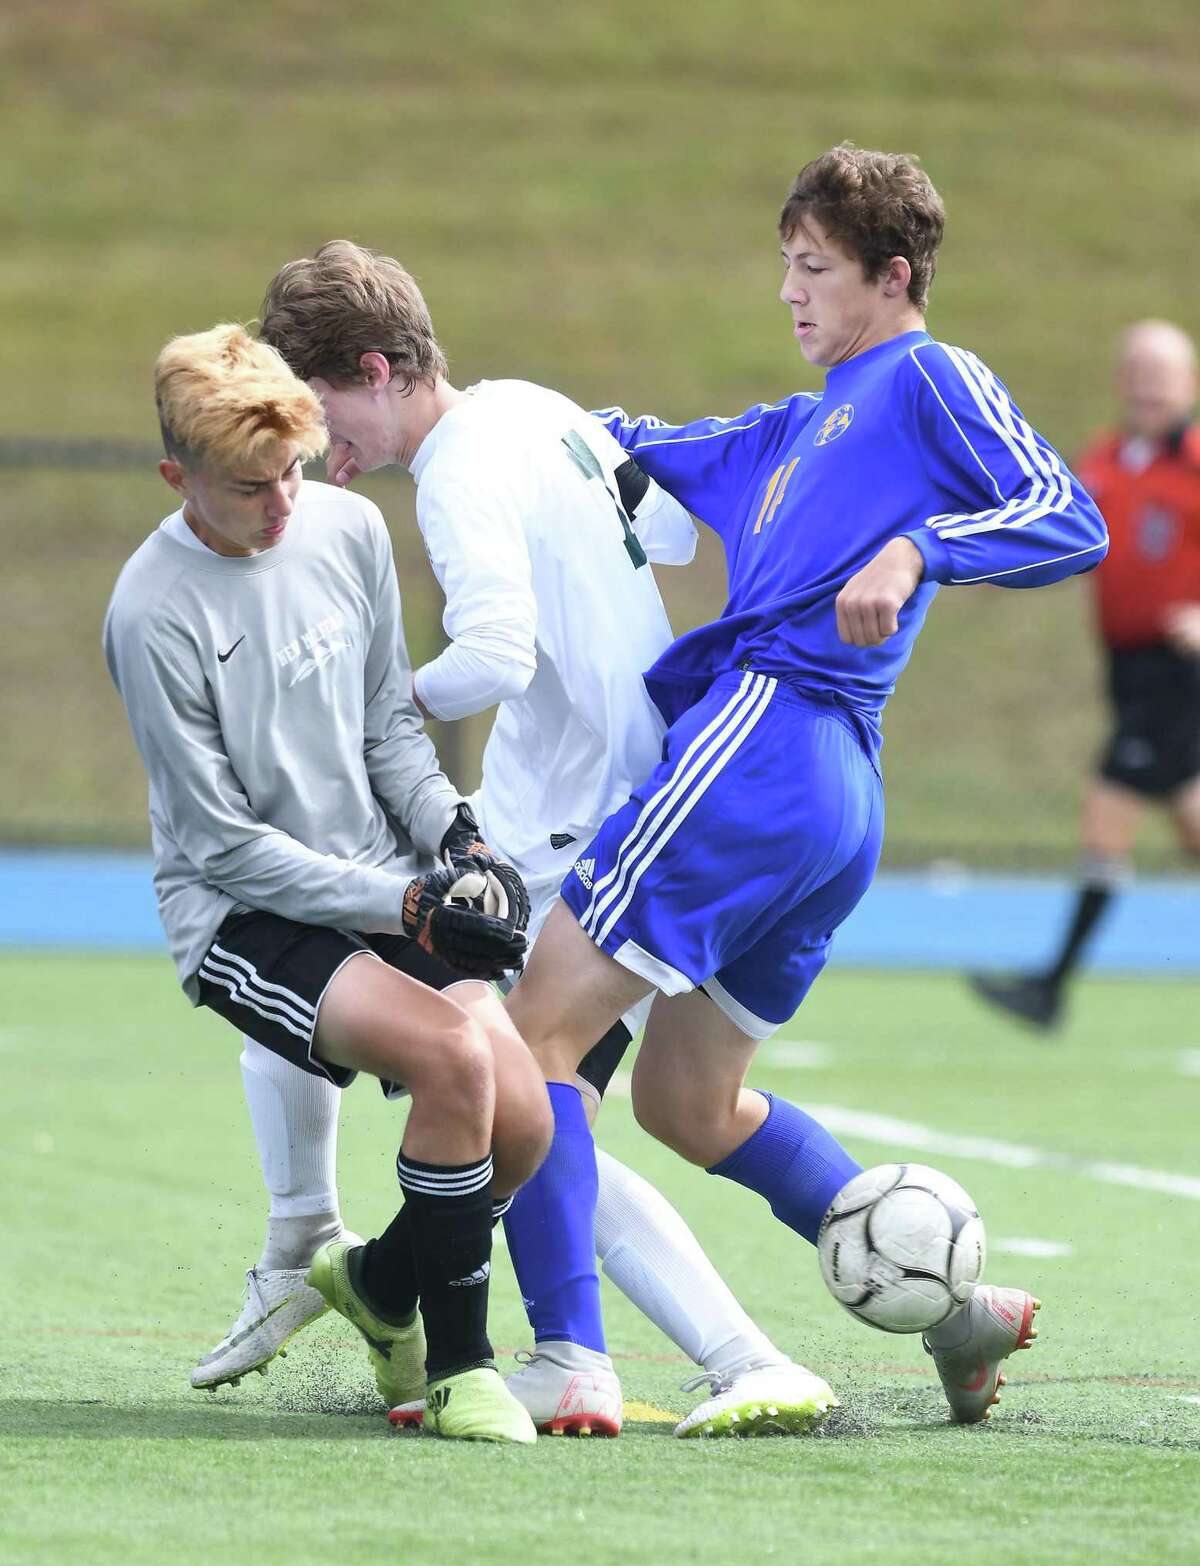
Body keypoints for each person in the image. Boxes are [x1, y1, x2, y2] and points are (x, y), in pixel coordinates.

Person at [494, 142, 1106, 1430]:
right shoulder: (789, 427)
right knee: (686, 1102)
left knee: (534, 1028)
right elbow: (622, 444)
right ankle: (959, 1314)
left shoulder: (930, 377)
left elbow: (1069, 515)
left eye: (815, 266)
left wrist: (918, 548)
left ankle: (568, 1355)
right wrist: (486, 428)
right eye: (785, 262)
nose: (789, 290)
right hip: (824, 799)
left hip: (765, 746)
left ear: (895, 276)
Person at [251, 240, 840, 1440]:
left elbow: (494, 654)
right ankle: (383, 1278)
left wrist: (357, 707)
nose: (312, 443)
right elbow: (668, 534)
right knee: (518, 1092)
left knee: (490, 1073)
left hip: (568, 814)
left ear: (375, 369)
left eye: (316, 407)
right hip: (616, 790)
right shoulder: (531, 407)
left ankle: (526, 1331)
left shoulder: (460, 468)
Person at [103, 323, 551, 1444]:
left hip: (376, 874)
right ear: (177, 479)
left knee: (527, 1122)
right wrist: (404, 904)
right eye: (251, 487)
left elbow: (389, 728)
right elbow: (222, 844)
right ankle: (460, 1370)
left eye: (294, 472)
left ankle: (376, 1283)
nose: (284, 504)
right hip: (242, 915)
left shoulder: (347, 527)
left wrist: (458, 839)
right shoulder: (150, 612)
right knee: (453, 1058)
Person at [970, 320, 1200, 1029]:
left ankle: (1049, 989)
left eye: (1162, 374)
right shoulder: (1104, 459)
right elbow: (1061, 528)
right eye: (1137, 372)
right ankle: (1049, 989)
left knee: (1108, 811)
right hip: (1127, 670)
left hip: (1179, 670)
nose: (1148, 387)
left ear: (1189, 383)